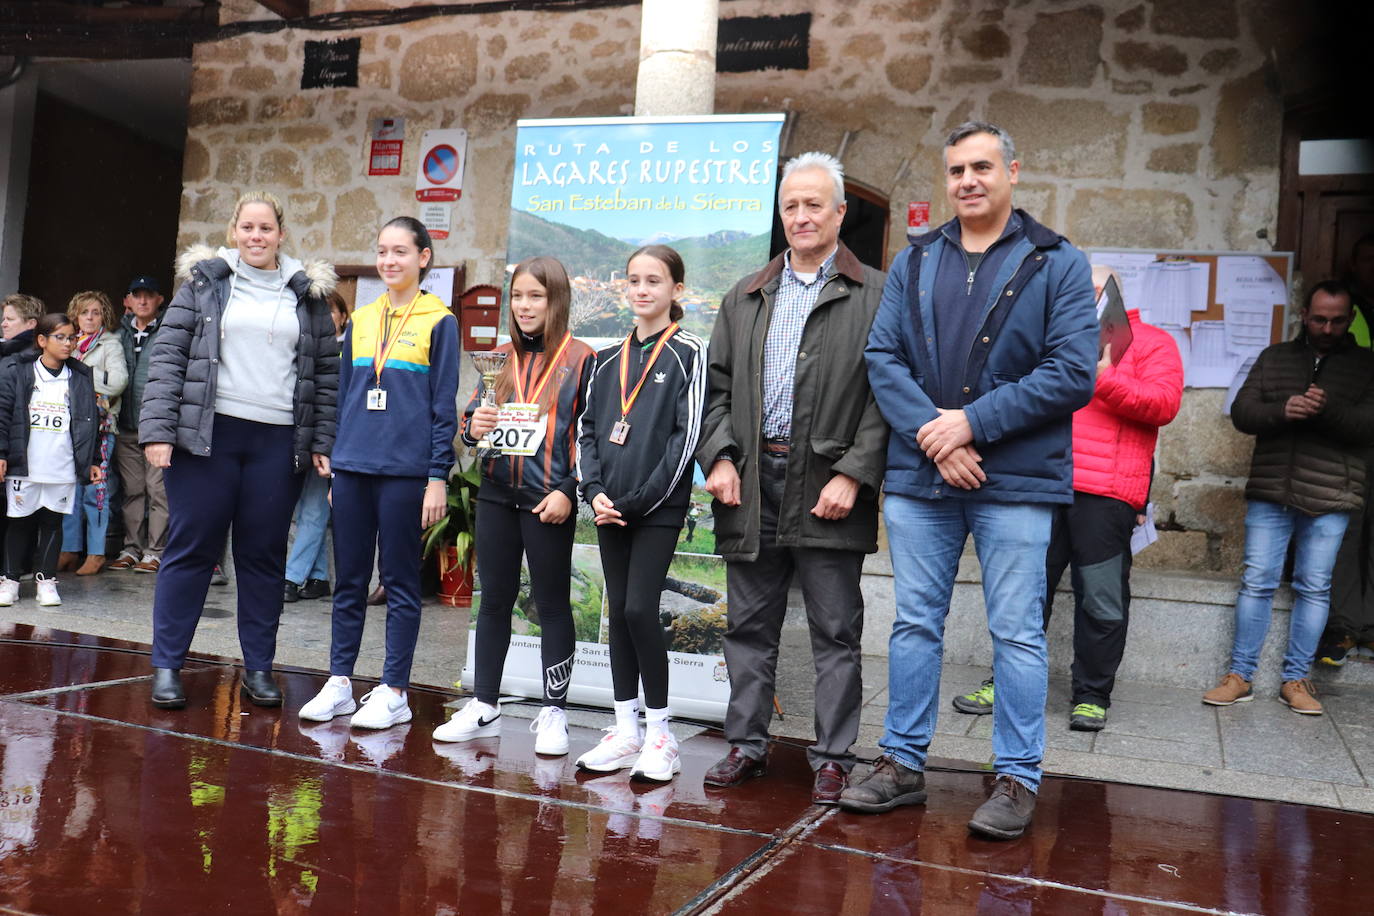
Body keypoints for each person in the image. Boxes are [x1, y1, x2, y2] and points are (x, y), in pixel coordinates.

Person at [846, 121, 1098, 840]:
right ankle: (901, 765)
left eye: (983, 167)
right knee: (914, 624)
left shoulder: (1057, 262)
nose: (968, 181)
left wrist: (972, 424)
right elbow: (883, 357)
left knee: (1017, 633)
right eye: (956, 170)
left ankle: (1017, 778)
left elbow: (1070, 372)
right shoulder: (915, 262)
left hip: (1015, 481)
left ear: (1013, 172)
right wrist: (938, 434)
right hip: (924, 478)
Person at [695, 151, 888, 805]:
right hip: (752, 485)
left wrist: (856, 474)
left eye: (814, 204)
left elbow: (889, 396)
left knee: (836, 631)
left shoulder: (878, 294)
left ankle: (834, 757)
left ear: (839, 212)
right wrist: (719, 458)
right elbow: (714, 392)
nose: (801, 216)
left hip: (830, 486)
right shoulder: (745, 295)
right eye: (791, 207)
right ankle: (746, 745)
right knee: (748, 627)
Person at [950, 265, 1183, 731]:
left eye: (1095, 291)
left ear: (1114, 295)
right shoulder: (1046, 337)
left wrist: (1101, 375)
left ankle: (1092, 695)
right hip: (1040, 481)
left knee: (1101, 598)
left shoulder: (1153, 343)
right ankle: (1007, 683)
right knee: (1023, 594)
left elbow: (1164, 404)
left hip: (1107, 493)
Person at [140, 190, 339, 709]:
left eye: (266, 228)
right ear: (234, 232)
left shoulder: (307, 296)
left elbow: (325, 373)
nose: (256, 236)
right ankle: (167, 667)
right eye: (247, 227)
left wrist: (322, 440)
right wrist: (158, 432)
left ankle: (257, 669)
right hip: (208, 439)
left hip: (276, 443)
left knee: (262, 558)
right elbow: (168, 359)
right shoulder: (203, 285)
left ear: (281, 233)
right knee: (191, 549)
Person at [298, 217, 457, 730]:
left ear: (423, 258)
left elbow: (442, 407)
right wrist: (333, 455)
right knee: (348, 579)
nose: (390, 261)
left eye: (401, 252)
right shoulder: (363, 319)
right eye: (383, 252)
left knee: (399, 581)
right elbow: (344, 393)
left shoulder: (440, 320)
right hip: (353, 465)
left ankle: (394, 690)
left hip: (405, 471)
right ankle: (340, 682)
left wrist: (438, 475)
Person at [432, 257, 594, 754]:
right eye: (518, 297)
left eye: (536, 297)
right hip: (499, 494)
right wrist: (471, 428)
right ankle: (484, 703)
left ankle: (554, 713)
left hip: (549, 498)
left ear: (556, 301)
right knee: (494, 600)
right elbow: (471, 425)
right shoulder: (496, 358)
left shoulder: (583, 359)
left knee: (550, 604)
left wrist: (569, 490)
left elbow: (592, 437)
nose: (525, 306)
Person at [1203, 281, 1374, 715]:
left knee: (1314, 588)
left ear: (1350, 318)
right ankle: (1239, 676)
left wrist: (1326, 409)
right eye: (1319, 318)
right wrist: (1283, 410)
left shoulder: (1366, 365)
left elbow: (1367, 427)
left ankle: (1296, 680)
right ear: (1304, 314)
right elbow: (1242, 412)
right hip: (1272, 488)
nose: (1328, 327)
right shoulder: (1274, 357)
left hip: (1332, 494)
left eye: (1337, 320)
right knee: (1257, 582)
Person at [574, 244, 707, 782]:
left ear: (677, 290)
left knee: (638, 611)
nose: (642, 289)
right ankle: (625, 727)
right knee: (618, 614)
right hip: (609, 507)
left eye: (654, 280)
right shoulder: (606, 360)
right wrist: (595, 492)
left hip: (655, 509)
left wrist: (636, 502)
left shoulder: (689, 353)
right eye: (633, 280)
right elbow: (587, 430)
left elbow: (686, 438)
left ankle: (661, 735)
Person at [0, 313, 102, 607]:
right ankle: (10, 580)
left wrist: (92, 459)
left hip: (62, 465)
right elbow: (4, 414)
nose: (68, 343)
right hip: (26, 463)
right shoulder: (19, 370)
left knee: (53, 522)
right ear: (42, 340)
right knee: (18, 521)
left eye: (72, 337)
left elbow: (88, 422)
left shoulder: (80, 375)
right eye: (60, 337)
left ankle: (46, 580)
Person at [1320, 234, 1374, 664]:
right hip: (1350, 436)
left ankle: (1368, 624)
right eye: (1367, 259)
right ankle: (1343, 626)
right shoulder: (1345, 314)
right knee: (1348, 531)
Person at [283, 291, 351, 603]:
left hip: (332, 441)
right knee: (305, 509)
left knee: (313, 509)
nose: (323, 315)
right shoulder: (308, 347)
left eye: (330, 310)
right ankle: (319, 576)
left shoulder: (350, 350)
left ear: (343, 316)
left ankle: (291, 577)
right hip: (303, 438)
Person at [57, 292, 129, 577]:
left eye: (96, 312)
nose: (89, 317)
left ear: (104, 316)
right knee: (69, 488)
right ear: (75, 315)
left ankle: (97, 552)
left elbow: (118, 383)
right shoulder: (69, 343)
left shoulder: (110, 344)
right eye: (84, 312)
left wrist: (79, 372)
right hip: (71, 427)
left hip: (100, 428)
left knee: (95, 488)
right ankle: (70, 549)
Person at [109, 276, 168, 573]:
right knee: (132, 489)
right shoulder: (116, 335)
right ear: (127, 301)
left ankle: (155, 551)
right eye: (137, 295)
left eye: (149, 295)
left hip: (156, 427)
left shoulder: (168, 331)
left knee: (157, 490)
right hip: (126, 424)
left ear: (159, 300)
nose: (143, 301)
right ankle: (131, 548)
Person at [0, 293, 41, 359]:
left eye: (10, 319)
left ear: (31, 323)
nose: (3, 324)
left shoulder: (35, 355)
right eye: (4, 319)